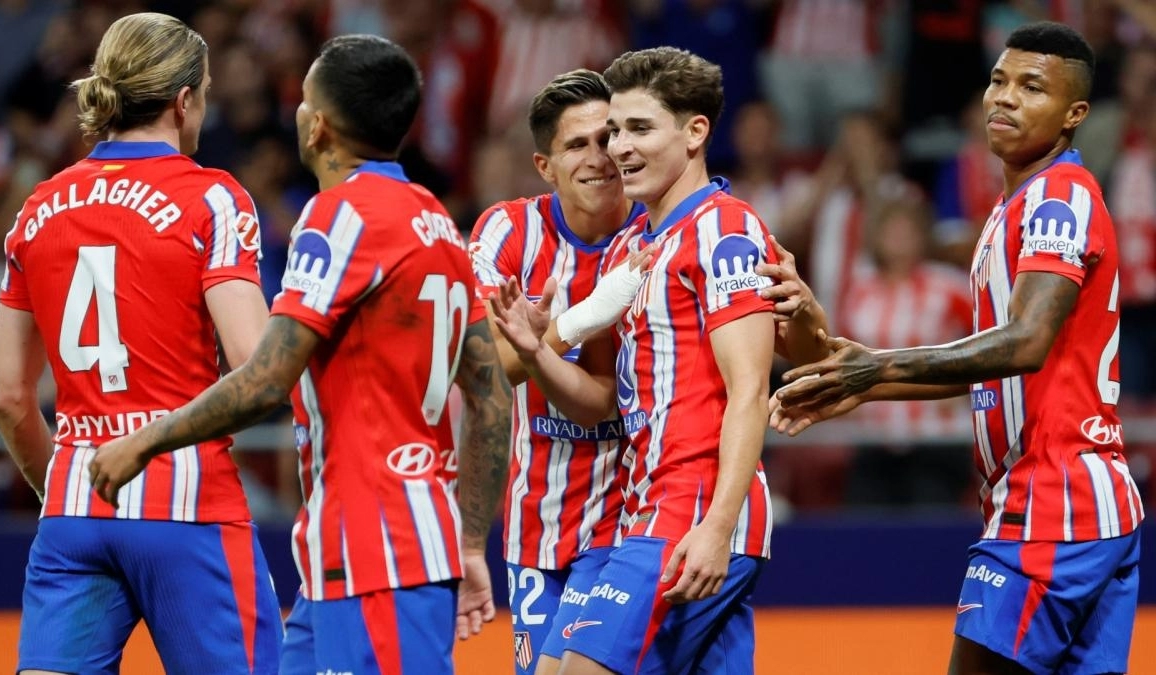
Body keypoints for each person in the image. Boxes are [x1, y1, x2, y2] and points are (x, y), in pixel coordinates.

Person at [87, 34, 514, 675]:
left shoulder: (339, 218)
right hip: (357, 550)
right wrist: (473, 542)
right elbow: (491, 398)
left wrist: (145, 442)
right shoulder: (437, 222)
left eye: (304, 99)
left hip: (378, 548)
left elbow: (264, 380)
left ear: (318, 127)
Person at [774, 21, 1144, 675]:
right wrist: (861, 384)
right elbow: (992, 365)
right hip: (1076, 505)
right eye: (999, 80)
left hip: (1055, 502)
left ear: (1074, 114)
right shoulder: (1016, 206)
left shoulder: (1057, 199)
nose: (1004, 96)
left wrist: (880, 364)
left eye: (1032, 87)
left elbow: (1024, 343)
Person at [491, 46, 830, 675]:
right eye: (617, 129)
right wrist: (541, 346)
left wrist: (716, 526)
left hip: (692, 507)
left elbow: (753, 387)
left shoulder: (723, 233)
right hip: (650, 505)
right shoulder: (642, 243)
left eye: (639, 129)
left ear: (695, 132)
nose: (618, 148)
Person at [0, 13, 282, 675]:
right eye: (204, 91)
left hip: (73, 508)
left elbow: (10, 398)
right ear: (184, 101)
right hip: (189, 506)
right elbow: (258, 367)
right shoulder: (213, 198)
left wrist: (70, 488)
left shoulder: (36, 207)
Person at [467, 69, 641, 675]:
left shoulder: (652, 237)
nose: (600, 157)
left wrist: (539, 342)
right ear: (545, 166)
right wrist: (574, 325)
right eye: (577, 145)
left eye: (608, 137)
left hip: (628, 518)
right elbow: (486, 370)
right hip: (534, 527)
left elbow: (605, 405)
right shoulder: (507, 230)